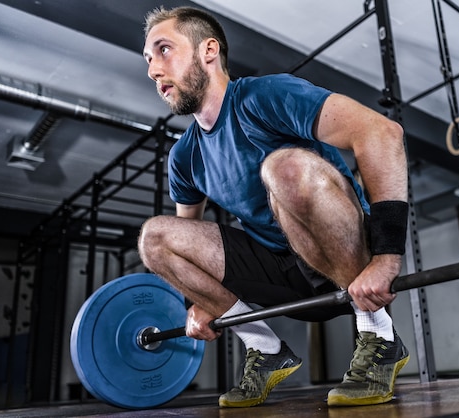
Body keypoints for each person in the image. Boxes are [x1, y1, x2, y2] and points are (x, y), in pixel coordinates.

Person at [138, 5, 410, 408]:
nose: (152, 70)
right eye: (147, 59)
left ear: (208, 50)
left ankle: (379, 335)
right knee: (154, 239)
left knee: (283, 167)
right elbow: (188, 244)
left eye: (163, 50)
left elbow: (382, 132)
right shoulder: (184, 156)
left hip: (346, 264)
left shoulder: (262, 96)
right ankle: (264, 348)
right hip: (277, 276)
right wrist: (200, 302)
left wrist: (387, 257)